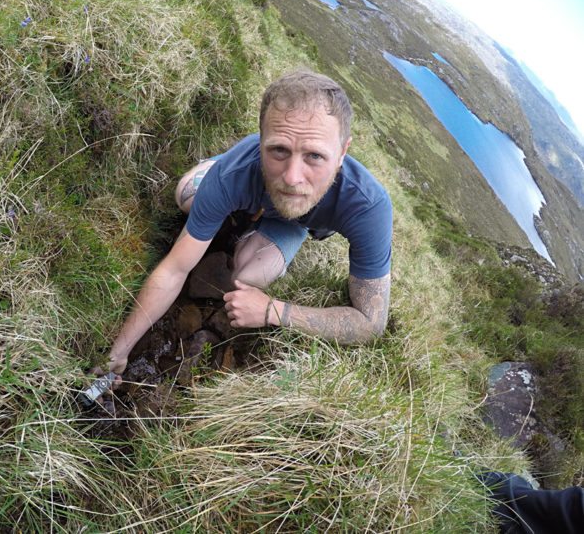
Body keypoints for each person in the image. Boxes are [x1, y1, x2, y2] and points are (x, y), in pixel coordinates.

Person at [93, 70, 393, 381]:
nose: (292, 177)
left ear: (343, 152)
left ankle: (247, 224)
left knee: (245, 276)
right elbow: (174, 269)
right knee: (187, 196)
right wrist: (118, 351)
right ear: (261, 139)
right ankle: (214, 176)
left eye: (314, 156)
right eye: (278, 150)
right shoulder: (234, 174)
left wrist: (273, 311)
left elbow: (371, 323)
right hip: (238, 181)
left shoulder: (368, 206)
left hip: (290, 225)